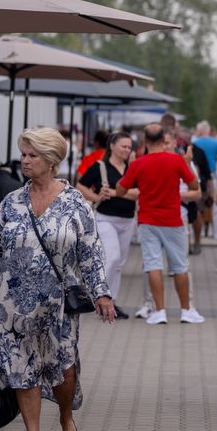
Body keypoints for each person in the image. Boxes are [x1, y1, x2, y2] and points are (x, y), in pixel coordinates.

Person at [0, 128, 114, 431]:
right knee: (21, 369)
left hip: (58, 305)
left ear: (51, 160)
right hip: (14, 305)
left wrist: (102, 294)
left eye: (32, 155)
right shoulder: (12, 202)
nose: (25, 160)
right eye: (23, 153)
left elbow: (91, 253)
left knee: (63, 368)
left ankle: (66, 417)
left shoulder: (74, 203)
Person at [115, 123, 204, 325]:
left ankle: (159, 311)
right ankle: (186, 311)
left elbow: (120, 190)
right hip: (173, 219)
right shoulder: (176, 160)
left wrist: (132, 169)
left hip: (147, 220)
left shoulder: (139, 163)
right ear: (164, 139)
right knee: (180, 266)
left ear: (145, 141)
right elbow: (193, 185)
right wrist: (186, 166)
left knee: (153, 264)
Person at [76, 131, 138, 319]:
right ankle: (102, 297)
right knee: (111, 257)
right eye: (124, 146)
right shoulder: (100, 166)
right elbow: (80, 185)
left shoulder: (132, 167)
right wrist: (96, 197)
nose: (127, 150)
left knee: (119, 263)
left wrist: (114, 192)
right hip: (105, 218)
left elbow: (139, 192)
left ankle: (113, 302)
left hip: (128, 219)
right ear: (112, 146)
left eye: (129, 147)